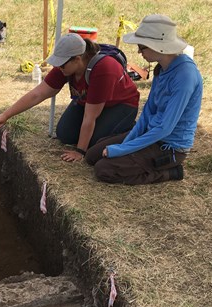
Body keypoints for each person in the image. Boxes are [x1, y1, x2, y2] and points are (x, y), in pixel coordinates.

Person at [85, 14, 203, 185]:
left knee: (104, 170)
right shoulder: (161, 68)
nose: (139, 51)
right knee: (92, 156)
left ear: (158, 46)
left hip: (169, 146)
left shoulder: (185, 76)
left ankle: (170, 172)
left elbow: (165, 128)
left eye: (142, 46)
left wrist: (122, 149)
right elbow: (148, 112)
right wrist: (126, 144)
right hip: (151, 134)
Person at [0, 33, 140, 162]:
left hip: (121, 105)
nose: (59, 68)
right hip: (90, 103)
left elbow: (90, 116)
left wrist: (80, 152)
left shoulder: (104, 68)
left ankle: (128, 129)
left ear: (77, 59)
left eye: (62, 65)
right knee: (65, 134)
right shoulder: (66, 67)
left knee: (93, 144)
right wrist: (5, 115)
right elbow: (38, 94)